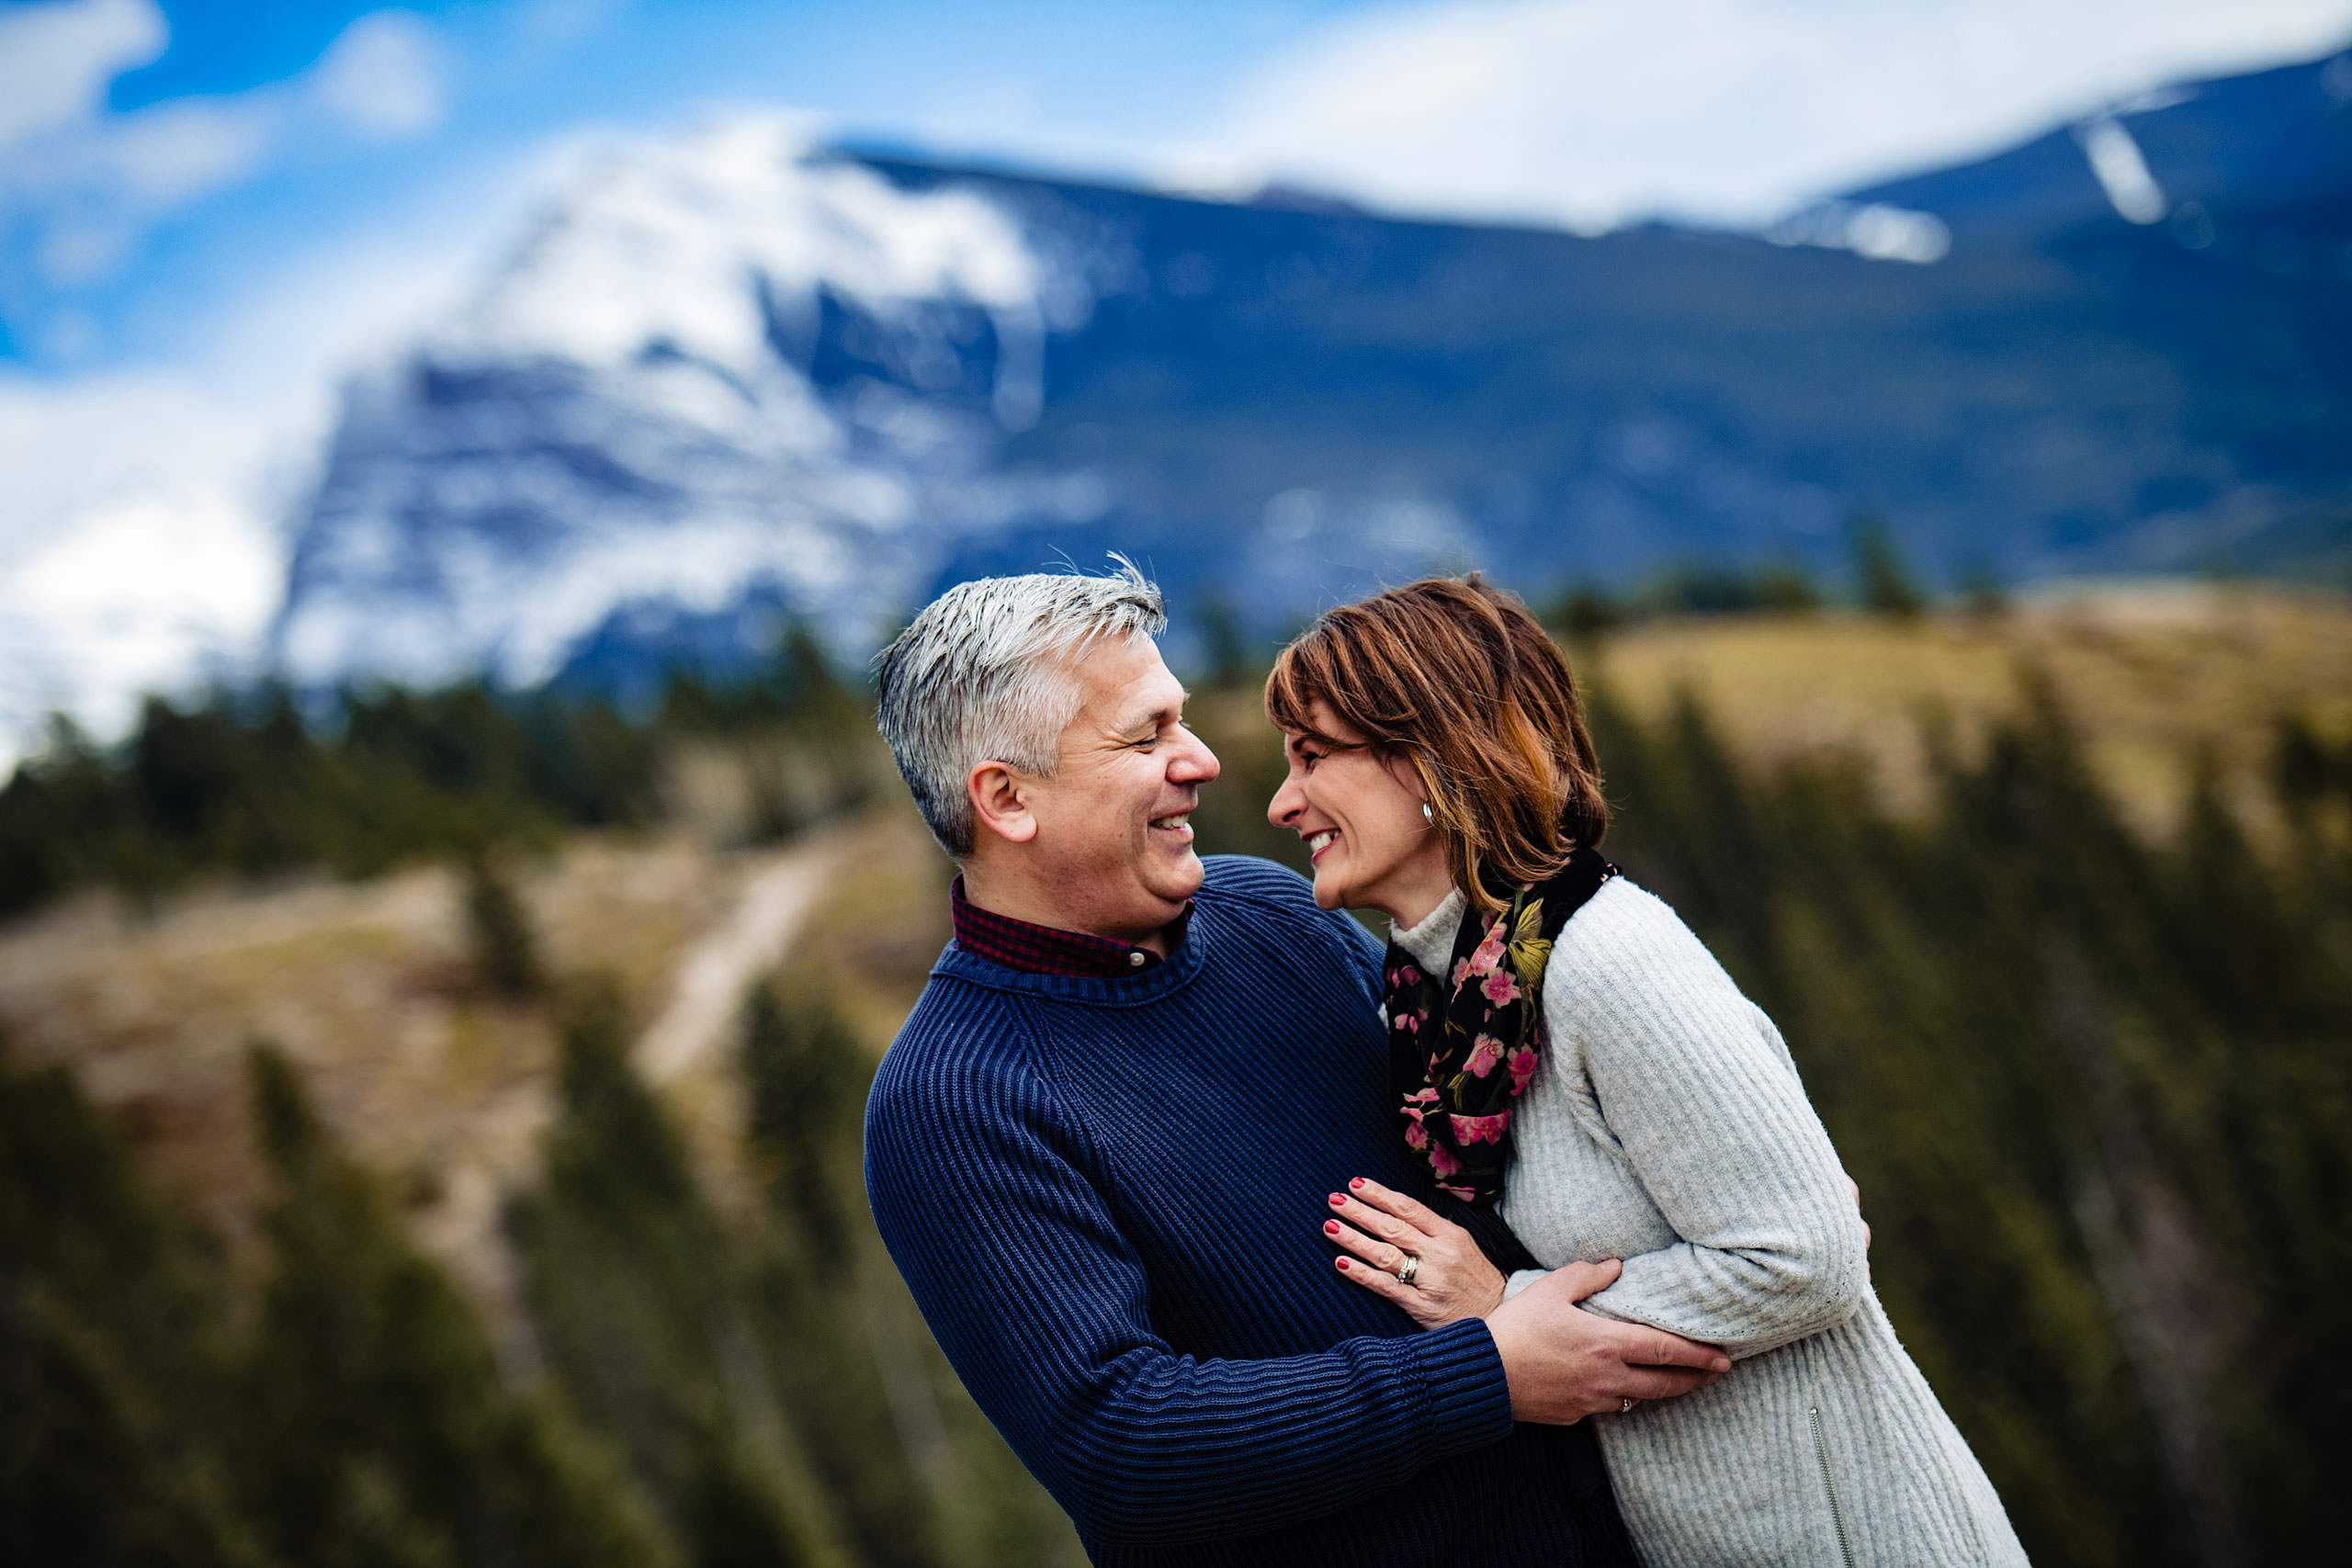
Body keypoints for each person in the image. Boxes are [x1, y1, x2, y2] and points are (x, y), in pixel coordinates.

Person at [862, 560, 1733, 1568]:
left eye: (1177, 720)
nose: (1200, 761)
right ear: (1007, 799)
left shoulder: (1266, 915)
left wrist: (1710, 1184)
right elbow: (1125, 1446)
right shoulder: (954, 1103)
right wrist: (1481, 1372)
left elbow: (1486, 1134)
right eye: (1144, 737)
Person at [1262, 575, 2030, 1567]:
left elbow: (1804, 1257)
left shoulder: (1607, 960)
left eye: (1313, 757)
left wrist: (1506, 1319)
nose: (1283, 803)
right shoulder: (1429, 1008)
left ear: (1429, 752)